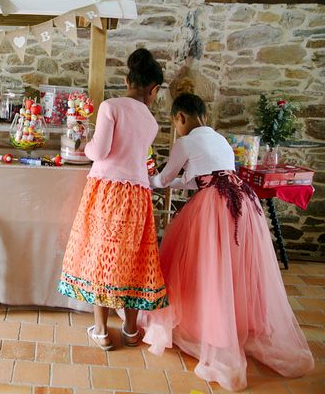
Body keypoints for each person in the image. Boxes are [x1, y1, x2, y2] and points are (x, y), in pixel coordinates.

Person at [141, 93, 314, 391]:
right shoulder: (220, 140)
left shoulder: (184, 142)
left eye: (175, 122)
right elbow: (202, 178)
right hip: (242, 201)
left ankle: (206, 325)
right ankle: (233, 322)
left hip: (212, 207)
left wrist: (146, 175)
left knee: (204, 266)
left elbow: (166, 179)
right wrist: (172, 179)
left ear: (180, 118)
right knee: (232, 265)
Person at [57, 48, 168, 350]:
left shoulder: (111, 106)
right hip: (138, 194)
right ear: (153, 89)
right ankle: (131, 331)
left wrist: (84, 143)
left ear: (126, 79)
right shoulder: (151, 122)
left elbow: (99, 151)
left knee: (101, 257)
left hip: (106, 191)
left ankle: (102, 331)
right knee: (132, 258)